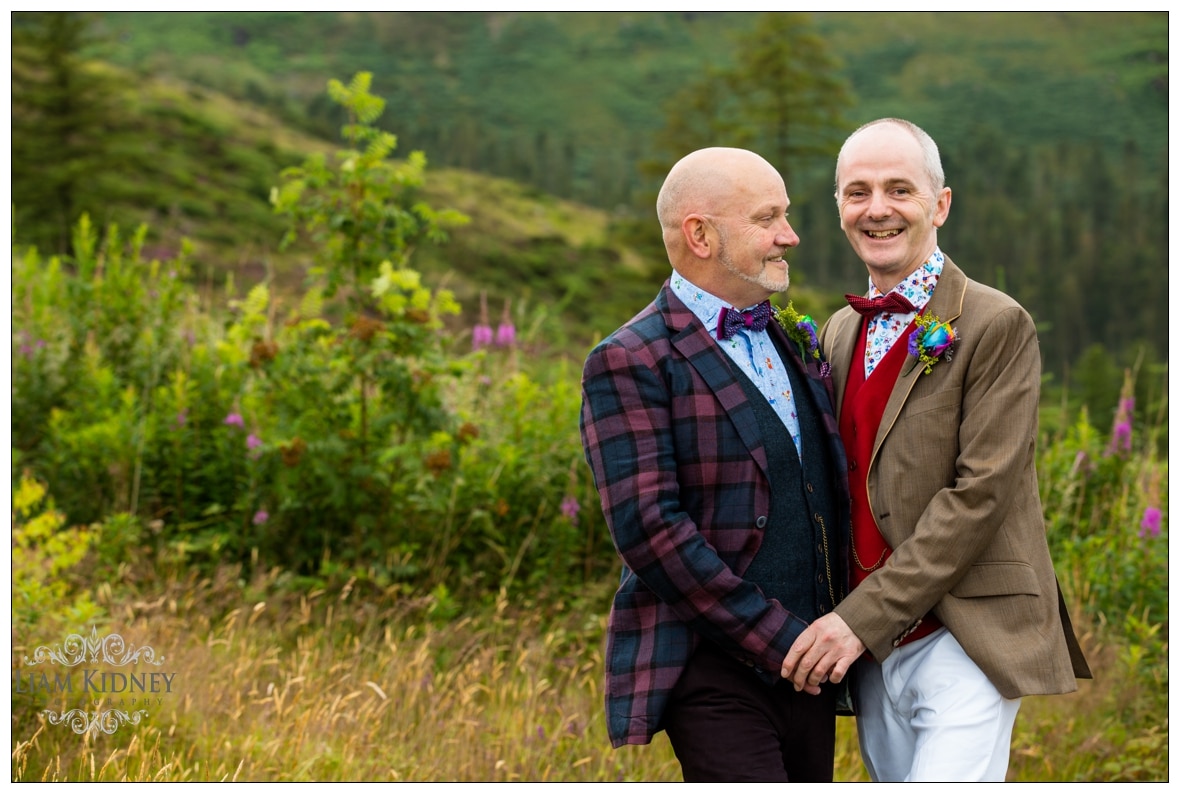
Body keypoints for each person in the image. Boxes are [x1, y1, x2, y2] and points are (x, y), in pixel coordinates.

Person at [780, 118, 1091, 782]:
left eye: (899, 189)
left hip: (965, 634)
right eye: (857, 192)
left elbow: (979, 496)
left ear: (940, 204)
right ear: (838, 207)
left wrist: (857, 620)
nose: (877, 209)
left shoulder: (995, 323)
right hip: (870, 651)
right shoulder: (838, 332)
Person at [579, 147, 850, 782]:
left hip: (810, 666)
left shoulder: (785, 336)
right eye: (768, 219)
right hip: (712, 667)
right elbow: (650, 528)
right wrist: (777, 637)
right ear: (700, 234)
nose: (791, 235)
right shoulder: (630, 359)